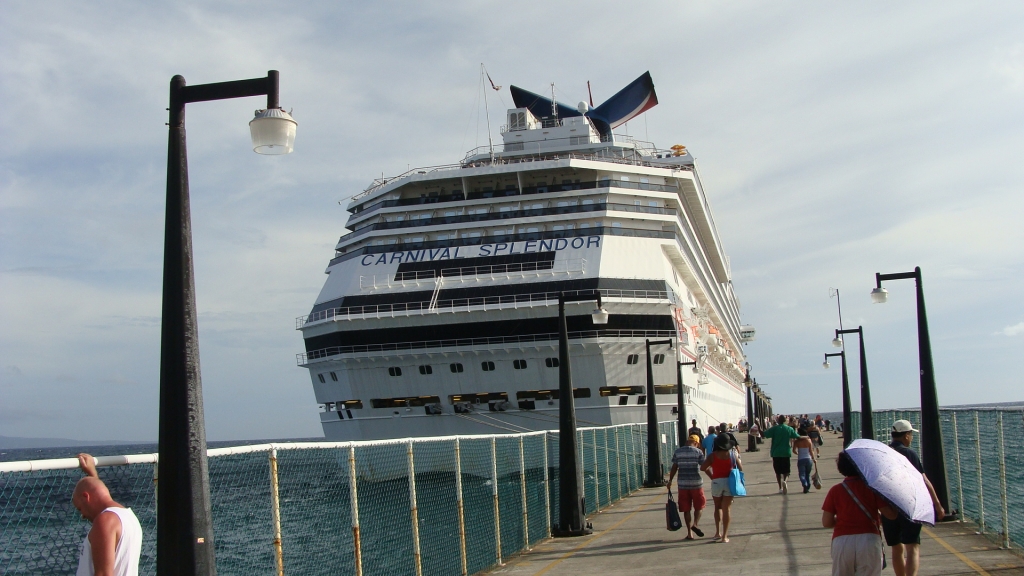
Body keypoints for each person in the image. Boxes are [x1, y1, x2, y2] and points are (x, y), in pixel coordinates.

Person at [882, 421, 946, 576]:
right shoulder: (909, 454)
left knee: (896, 548)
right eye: (910, 435)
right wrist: (937, 504)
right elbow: (923, 480)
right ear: (906, 435)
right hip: (909, 504)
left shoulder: (884, 453)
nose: (911, 438)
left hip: (888, 505)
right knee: (912, 547)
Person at [822, 451, 898, 576]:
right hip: (868, 539)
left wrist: (845, 519)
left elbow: (826, 522)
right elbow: (891, 515)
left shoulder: (835, 490)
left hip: (842, 541)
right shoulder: (872, 489)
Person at [72, 453, 143, 576]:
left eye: (80, 509)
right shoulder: (128, 517)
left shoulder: (105, 521)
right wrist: (92, 475)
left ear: (85, 497)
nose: (82, 515)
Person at [700, 434, 742, 543]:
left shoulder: (712, 456)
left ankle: (717, 532)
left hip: (717, 482)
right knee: (726, 508)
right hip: (729, 481)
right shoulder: (732, 455)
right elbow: (740, 468)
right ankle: (725, 536)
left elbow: (703, 467)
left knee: (717, 507)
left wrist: (712, 476)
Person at [667, 435, 707, 540]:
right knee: (699, 506)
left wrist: (670, 481)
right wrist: (713, 477)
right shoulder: (698, 452)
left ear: (687, 441)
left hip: (683, 484)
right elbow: (704, 467)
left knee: (686, 509)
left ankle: (690, 533)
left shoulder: (678, 452)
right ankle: (695, 524)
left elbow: (674, 467)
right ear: (697, 443)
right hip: (696, 484)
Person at [762, 415, 800, 493]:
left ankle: (780, 488)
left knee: (778, 472)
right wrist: (806, 437)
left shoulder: (774, 429)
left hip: (776, 453)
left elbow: (764, 435)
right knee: (787, 471)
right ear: (785, 421)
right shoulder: (789, 429)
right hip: (786, 452)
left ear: (778, 421)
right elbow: (797, 437)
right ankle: (785, 481)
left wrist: (758, 425)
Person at [793, 426, 816, 493]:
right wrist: (813, 458)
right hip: (808, 459)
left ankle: (804, 484)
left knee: (801, 474)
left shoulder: (796, 441)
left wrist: (798, 453)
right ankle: (808, 486)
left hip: (801, 459)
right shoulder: (808, 440)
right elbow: (811, 451)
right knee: (807, 474)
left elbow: (794, 450)